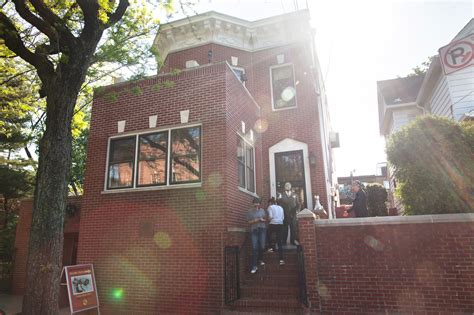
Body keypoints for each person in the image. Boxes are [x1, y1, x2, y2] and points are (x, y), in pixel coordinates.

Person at [246, 197, 267, 274]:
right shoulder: (249, 212)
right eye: (255, 205)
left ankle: (260, 259)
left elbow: (265, 220)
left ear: (259, 204)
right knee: (254, 248)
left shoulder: (262, 211)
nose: (256, 206)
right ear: (253, 204)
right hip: (254, 230)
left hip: (262, 229)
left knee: (262, 246)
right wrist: (254, 220)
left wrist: (262, 220)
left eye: (258, 205)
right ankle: (254, 266)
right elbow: (248, 222)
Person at [267, 197, 285, 265]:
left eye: (268, 204)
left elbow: (271, 217)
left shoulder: (270, 207)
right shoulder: (281, 208)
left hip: (273, 224)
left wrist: (266, 220)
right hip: (280, 224)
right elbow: (283, 218)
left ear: (270, 203)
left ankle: (270, 247)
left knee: (268, 234)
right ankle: (281, 259)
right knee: (279, 241)